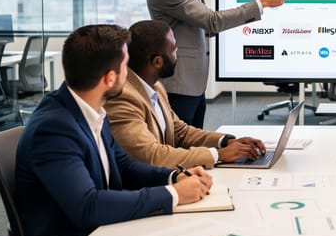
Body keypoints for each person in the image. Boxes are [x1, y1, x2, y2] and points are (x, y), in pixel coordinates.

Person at [15, 25, 212, 236]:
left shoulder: (90, 108)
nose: (129, 74)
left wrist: (175, 176)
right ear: (110, 78)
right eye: (126, 66)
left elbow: (124, 165)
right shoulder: (54, 129)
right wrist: (174, 194)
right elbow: (88, 206)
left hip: (104, 232)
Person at [147, 0, 291, 128]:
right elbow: (211, 20)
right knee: (182, 147)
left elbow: (198, 24)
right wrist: (262, 3)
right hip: (180, 84)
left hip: (192, 82)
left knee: (196, 140)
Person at [106, 19, 266, 168]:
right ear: (157, 62)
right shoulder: (123, 97)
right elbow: (151, 156)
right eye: (174, 49)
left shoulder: (156, 87)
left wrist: (226, 142)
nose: (177, 54)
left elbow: (179, 132)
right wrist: (219, 155)